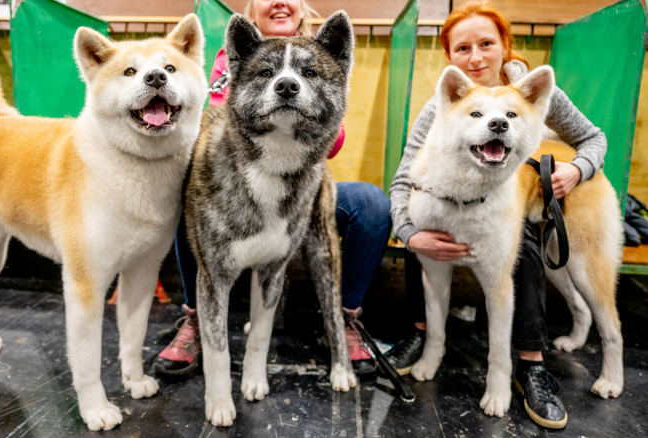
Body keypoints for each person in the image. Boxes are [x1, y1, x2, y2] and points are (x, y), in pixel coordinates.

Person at [386, 0, 607, 429]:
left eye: (486, 43)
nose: (476, 57)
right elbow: (403, 180)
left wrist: (576, 171)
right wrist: (409, 232)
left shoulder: (534, 92)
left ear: (504, 46)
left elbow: (593, 138)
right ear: (449, 57)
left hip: (519, 201)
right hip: (453, 206)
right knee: (420, 226)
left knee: (521, 243)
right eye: (463, 48)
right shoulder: (442, 105)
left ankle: (530, 364)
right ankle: (425, 338)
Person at [152, 0, 392, 377]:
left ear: (300, 8)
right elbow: (214, 121)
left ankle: (345, 318)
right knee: (190, 191)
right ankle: (198, 317)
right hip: (237, 181)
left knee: (371, 204)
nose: (279, 1)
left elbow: (335, 140)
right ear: (251, 9)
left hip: (303, 180)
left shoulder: (323, 54)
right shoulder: (231, 58)